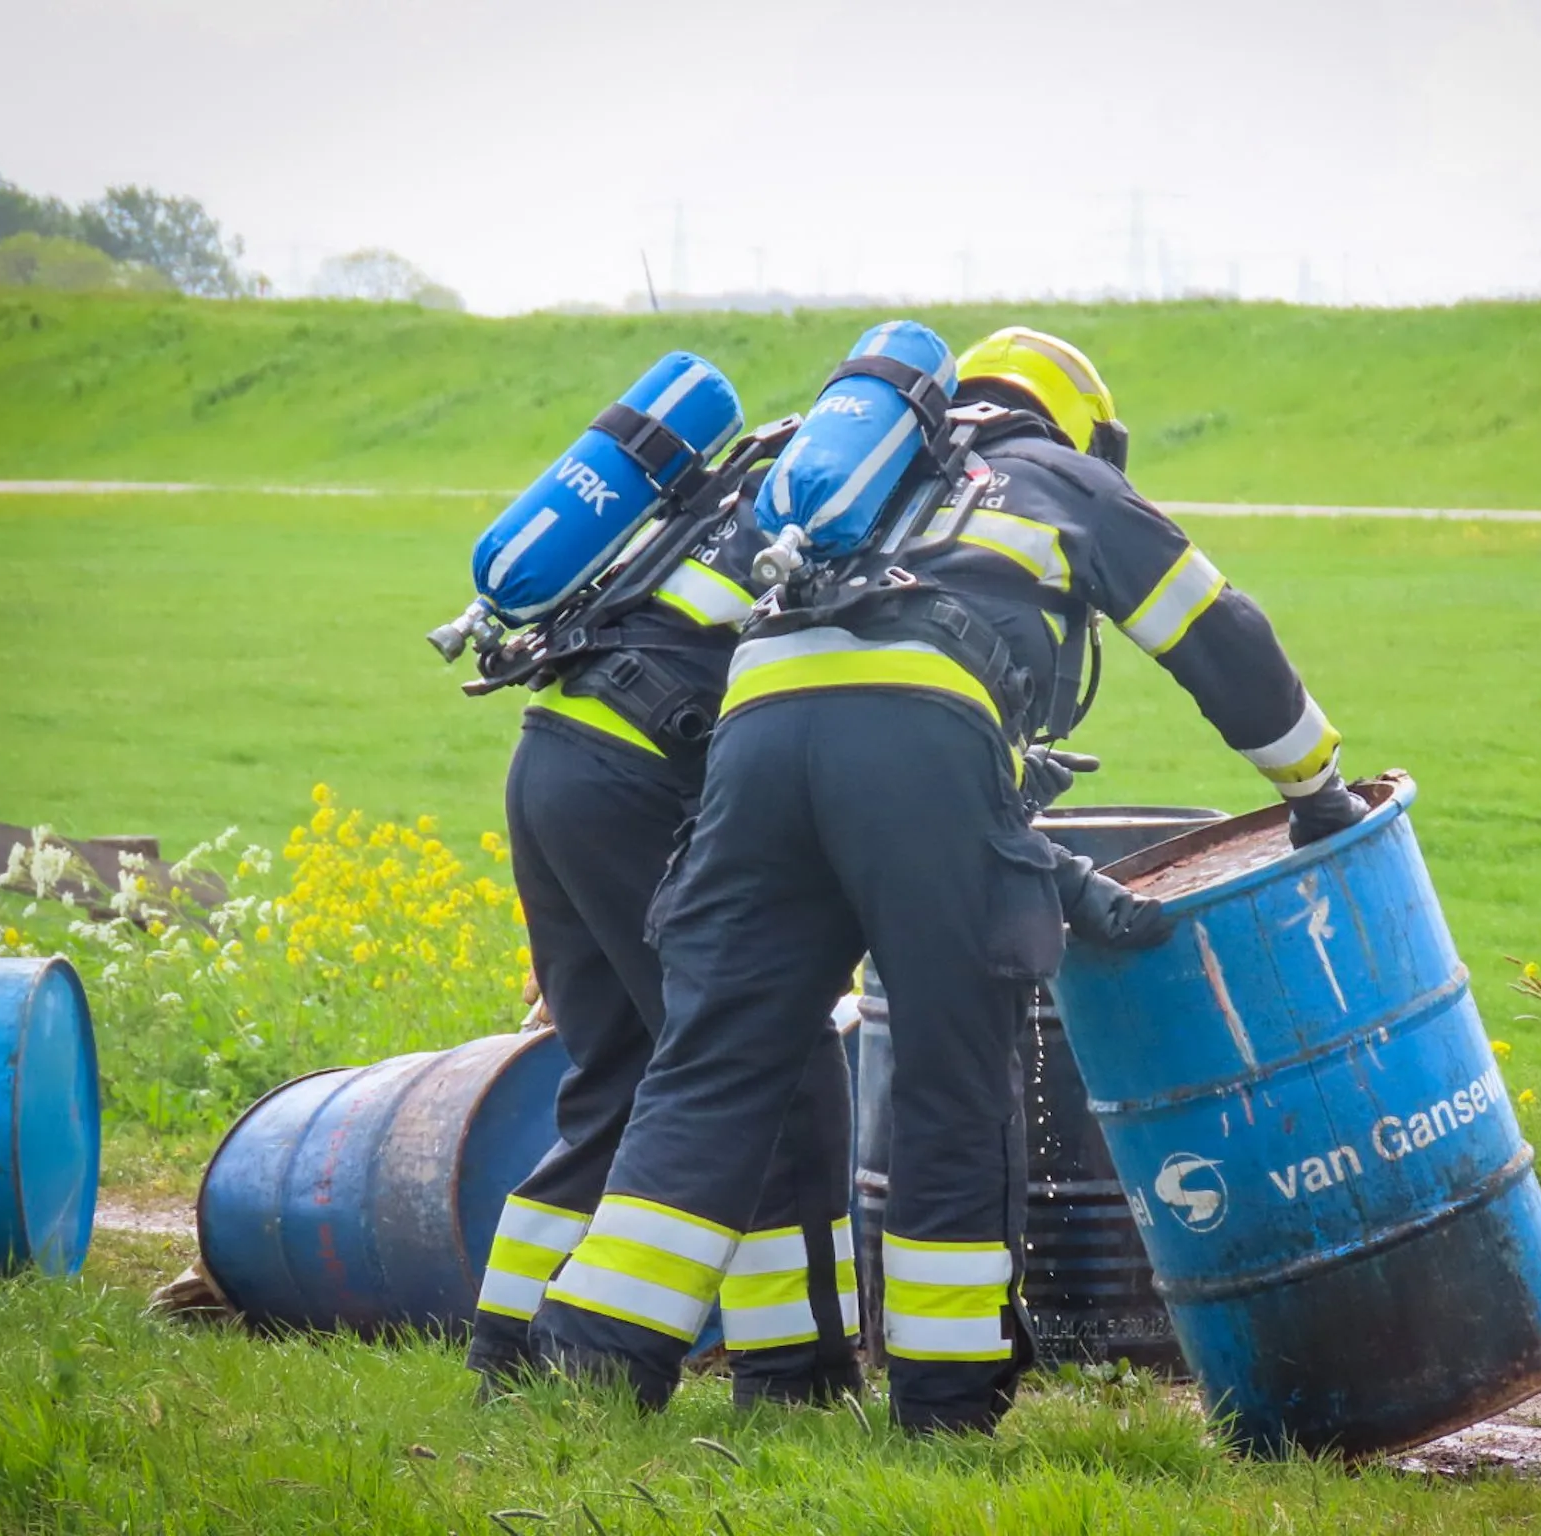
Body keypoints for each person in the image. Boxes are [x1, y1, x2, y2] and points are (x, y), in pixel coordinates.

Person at [529, 325, 1366, 1433]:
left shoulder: (857, 486)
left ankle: (591, 1372)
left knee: (714, 1065)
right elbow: (1217, 634)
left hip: (756, 738)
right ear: (1082, 430)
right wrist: (1314, 787)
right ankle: (942, 1404)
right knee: (949, 1068)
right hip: (921, 739)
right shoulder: (1062, 479)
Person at [465, 465, 861, 1410]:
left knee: (624, 1076)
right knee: (777, 1063)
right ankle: (795, 1380)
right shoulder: (877, 506)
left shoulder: (755, 479)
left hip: (553, 755)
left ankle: (507, 1358)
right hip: (646, 775)